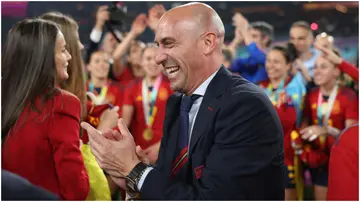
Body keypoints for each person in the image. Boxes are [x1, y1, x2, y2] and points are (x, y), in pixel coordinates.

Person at [81, 2, 285, 200]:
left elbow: (215, 198)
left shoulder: (246, 106)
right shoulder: (178, 102)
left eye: (169, 43)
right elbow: (176, 184)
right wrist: (136, 180)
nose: (159, 57)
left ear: (207, 43)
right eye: (158, 45)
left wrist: (136, 172)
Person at [1, 18, 89, 200]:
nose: (69, 57)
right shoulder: (63, 103)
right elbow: (75, 188)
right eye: (63, 50)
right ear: (43, 57)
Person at [41, 12, 118, 200]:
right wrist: (100, 133)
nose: (81, 46)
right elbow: (76, 183)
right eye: (75, 41)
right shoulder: (62, 103)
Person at [299, 50, 358, 200]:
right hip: (315, 158)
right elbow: (303, 125)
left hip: (337, 160)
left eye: (323, 67)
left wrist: (327, 130)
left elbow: (349, 136)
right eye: (315, 67)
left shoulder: (348, 96)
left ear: (336, 71)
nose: (317, 71)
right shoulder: (311, 94)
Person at [259, 43, 306, 200]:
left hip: (286, 155)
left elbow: (285, 124)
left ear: (288, 65)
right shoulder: (262, 88)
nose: (270, 66)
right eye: (269, 61)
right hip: (263, 155)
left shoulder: (294, 89)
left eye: (276, 62)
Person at [122, 44, 173, 164]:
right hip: (137, 151)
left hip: (165, 149)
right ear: (141, 61)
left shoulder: (173, 86)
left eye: (156, 58)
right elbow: (125, 122)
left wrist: (162, 146)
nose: (153, 63)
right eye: (148, 58)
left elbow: (180, 121)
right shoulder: (131, 87)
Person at [230, 12, 274, 84]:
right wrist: (236, 40)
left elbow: (259, 57)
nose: (248, 39)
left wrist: (245, 30)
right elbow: (226, 62)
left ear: (265, 39)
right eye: (249, 36)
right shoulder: (249, 60)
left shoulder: (271, 57)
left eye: (254, 36)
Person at [289, 21, 321, 87]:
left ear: (311, 39)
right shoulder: (286, 60)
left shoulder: (321, 58)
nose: (295, 42)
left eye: (301, 38)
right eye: (292, 38)